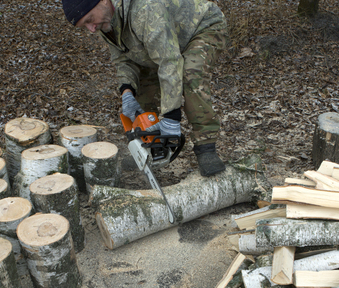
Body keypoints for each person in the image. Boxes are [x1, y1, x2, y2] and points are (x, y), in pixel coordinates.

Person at [62, 0, 228, 176]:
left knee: (190, 74)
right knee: (141, 83)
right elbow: (123, 60)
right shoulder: (105, 21)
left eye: (89, 20)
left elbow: (169, 61)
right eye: (85, 26)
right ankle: (153, 144)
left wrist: (171, 116)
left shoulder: (144, 8)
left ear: (103, 1)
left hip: (201, 27)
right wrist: (127, 92)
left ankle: (206, 147)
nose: (91, 29)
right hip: (164, 41)